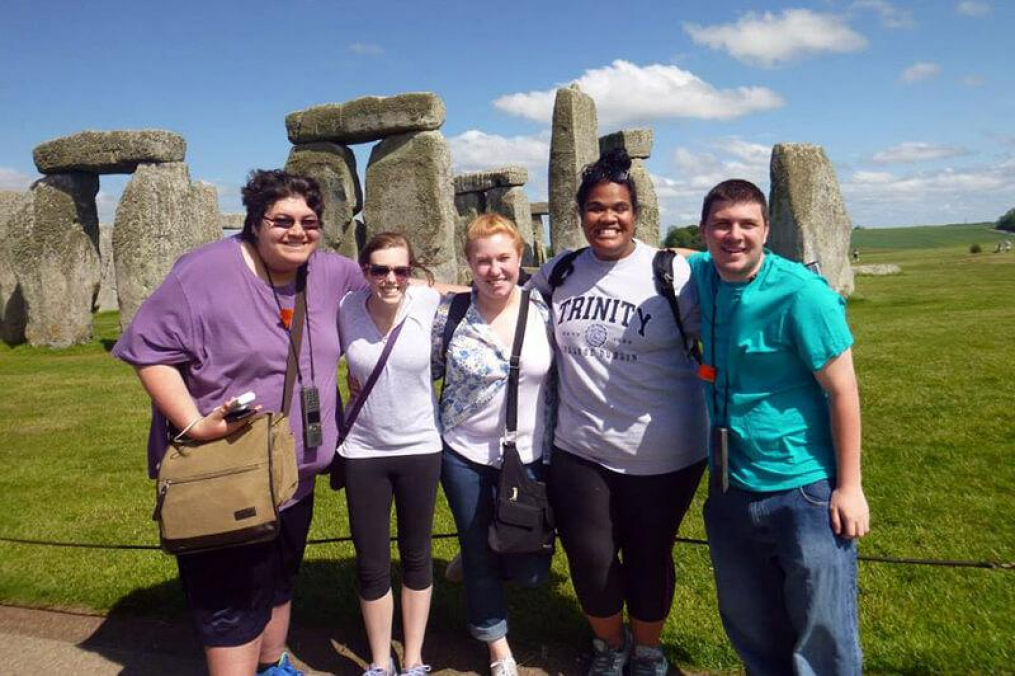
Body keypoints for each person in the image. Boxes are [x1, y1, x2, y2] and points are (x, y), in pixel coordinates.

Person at [112, 169, 366, 676]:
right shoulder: (202, 273)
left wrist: (493, 284)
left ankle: (273, 664)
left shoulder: (331, 272)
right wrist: (194, 422)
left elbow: (393, 282)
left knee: (278, 578)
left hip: (294, 471)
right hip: (225, 471)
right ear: (255, 222)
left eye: (309, 222)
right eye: (283, 220)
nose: (298, 231)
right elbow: (150, 352)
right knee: (230, 600)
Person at [527, 148, 708, 676]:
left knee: (650, 555)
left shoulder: (674, 273)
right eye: (596, 208)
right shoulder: (561, 271)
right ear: (581, 213)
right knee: (591, 558)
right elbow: (505, 304)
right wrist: (414, 291)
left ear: (635, 214)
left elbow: (729, 326)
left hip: (665, 452)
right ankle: (609, 647)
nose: (608, 218)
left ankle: (648, 652)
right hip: (579, 447)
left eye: (620, 208)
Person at [689, 179, 870, 675]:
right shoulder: (704, 273)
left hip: (804, 487)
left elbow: (843, 391)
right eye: (722, 224)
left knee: (823, 634)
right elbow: (659, 257)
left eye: (748, 224)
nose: (735, 235)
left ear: (766, 230)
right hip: (731, 484)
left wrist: (849, 487)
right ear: (705, 231)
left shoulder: (803, 294)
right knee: (752, 626)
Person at [431, 214, 555, 676]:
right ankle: (496, 645)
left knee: (530, 568)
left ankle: (482, 540)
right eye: (483, 260)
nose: (495, 269)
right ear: (469, 263)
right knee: (483, 558)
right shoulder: (451, 314)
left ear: (521, 257)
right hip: (464, 453)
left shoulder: (544, 310)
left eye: (504, 258)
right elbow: (421, 370)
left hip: (530, 455)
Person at [337, 233, 443, 676]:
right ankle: (380, 661)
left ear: (412, 272)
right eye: (380, 269)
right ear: (365, 271)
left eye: (400, 269)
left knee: (417, 553)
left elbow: (480, 287)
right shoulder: (346, 308)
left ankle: (414, 657)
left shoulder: (427, 301)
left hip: (420, 446)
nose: (390, 278)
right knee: (371, 559)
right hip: (363, 450)